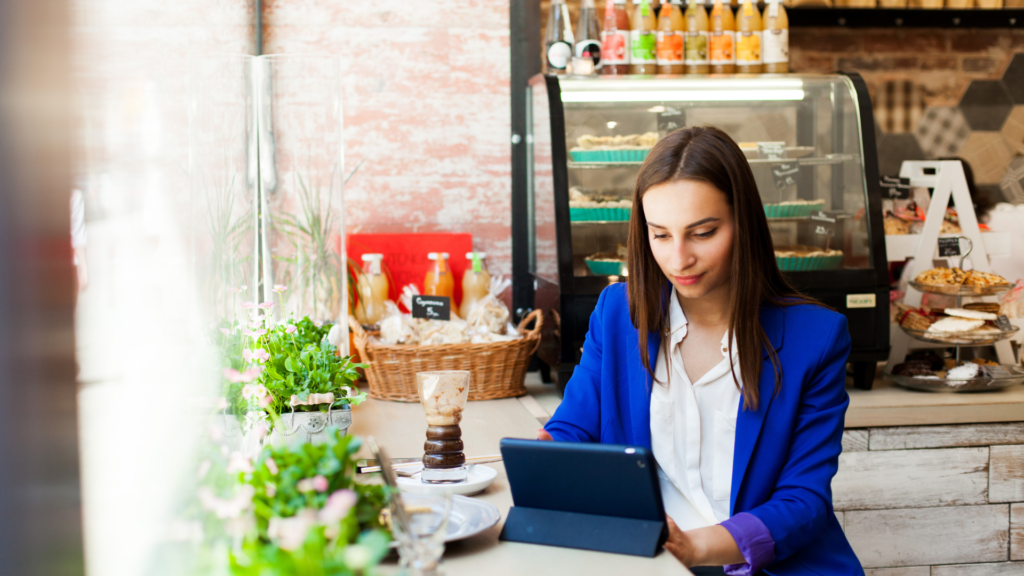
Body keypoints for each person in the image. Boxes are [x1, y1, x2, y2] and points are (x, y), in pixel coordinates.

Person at [540, 126, 862, 575]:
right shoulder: (617, 313)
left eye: (703, 232)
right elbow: (575, 428)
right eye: (660, 235)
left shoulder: (817, 336)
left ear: (743, 224)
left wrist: (695, 549)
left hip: (759, 564)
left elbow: (803, 501)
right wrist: (543, 455)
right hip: (649, 562)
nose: (678, 259)